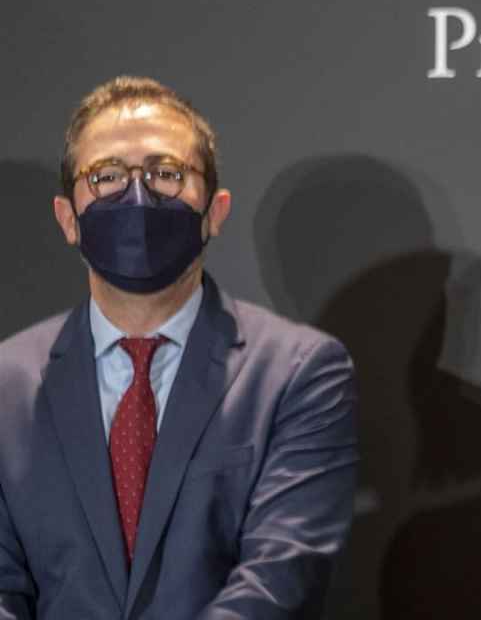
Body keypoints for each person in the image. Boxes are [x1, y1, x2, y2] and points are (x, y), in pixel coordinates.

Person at [0, 77, 358, 619]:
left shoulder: (298, 372)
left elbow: (282, 575)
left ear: (214, 210)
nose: (137, 195)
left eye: (167, 174)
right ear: (67, 217)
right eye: (108, 176)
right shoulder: (7, 383)